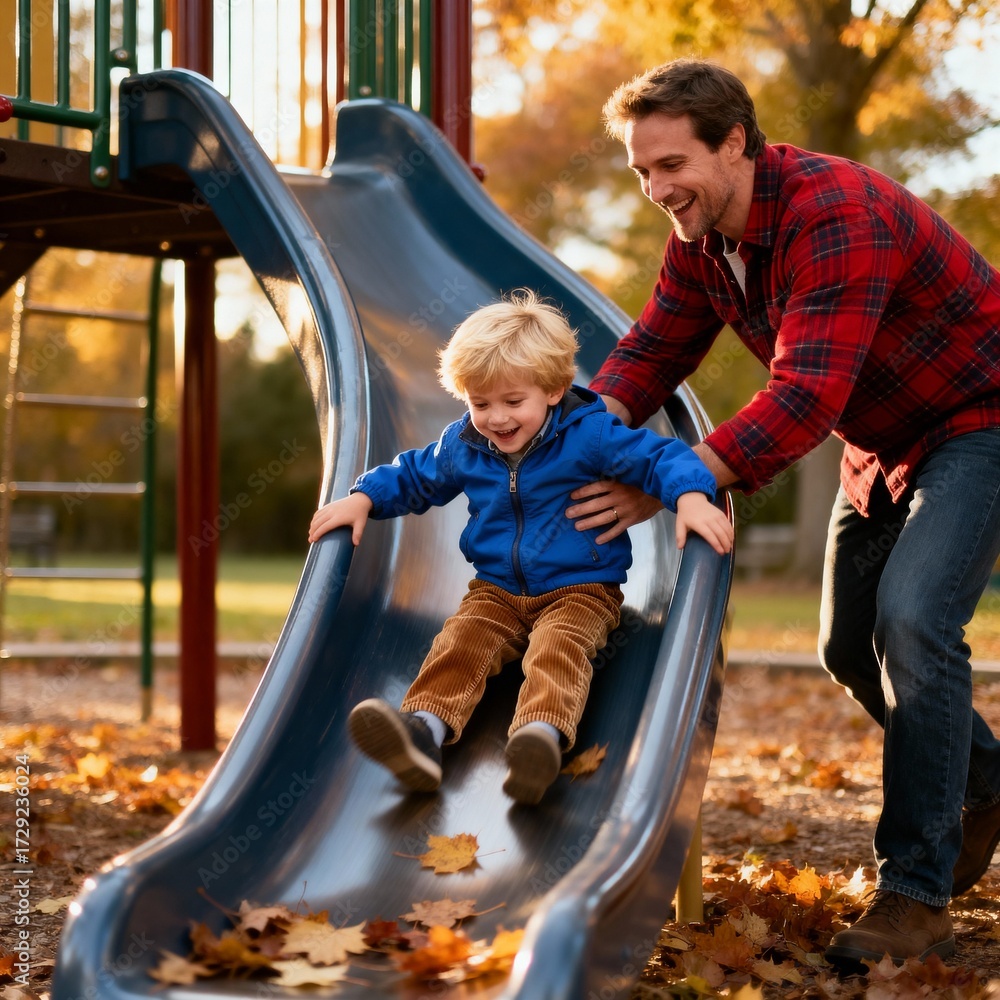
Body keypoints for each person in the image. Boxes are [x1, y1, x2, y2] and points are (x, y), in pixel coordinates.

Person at [563, 57, 1000, 965]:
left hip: (977, 418)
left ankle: (914, 896)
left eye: (671, 165)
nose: (657, 190)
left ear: (734, 143)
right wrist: (577, 433)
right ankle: (988, 784)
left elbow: (803, 398)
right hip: (884, 442)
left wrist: (672, 478)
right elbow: (654, 349)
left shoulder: (832, 215)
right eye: (642, 172)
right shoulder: (703, 238)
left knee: (914, 622)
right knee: (847, 646)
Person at [309, 290, 733, 805]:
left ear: (554, 390)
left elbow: (660, 458)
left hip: (581, 588)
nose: (496, 418)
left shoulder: (591, 434)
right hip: (496, 589)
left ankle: (539, 738)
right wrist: (363, 499)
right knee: (460, 644)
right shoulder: (465, 444)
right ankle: (423, 732)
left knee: (559, 649)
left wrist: (690, 497)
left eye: (513, 402)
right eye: (480, 403)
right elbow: (416, 474)